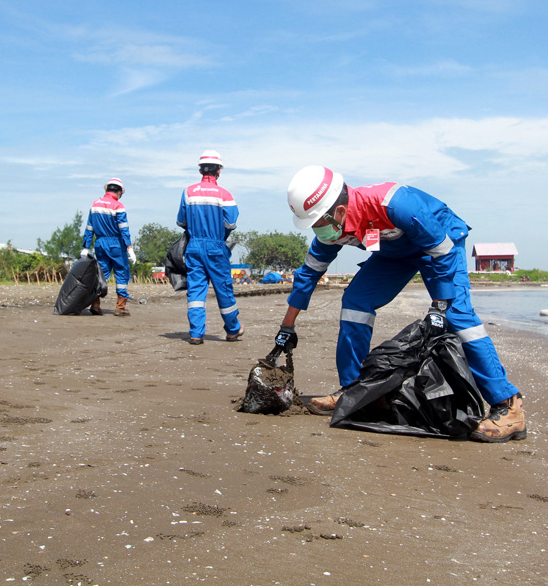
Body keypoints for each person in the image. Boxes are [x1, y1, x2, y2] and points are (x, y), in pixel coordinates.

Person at [274, 165, 526, 443]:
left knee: (456, 315)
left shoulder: (395, 203)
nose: (317, 232)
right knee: (356, 302)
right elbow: (308, 274)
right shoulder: (333, 229)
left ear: (339, 211)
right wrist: (288, 326)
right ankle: (355, 390)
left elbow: (441, 251)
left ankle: (508, 405)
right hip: (395, 254)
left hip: (440, 245)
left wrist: (440, 306)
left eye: (317, 224)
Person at [176, 150, 243, 345]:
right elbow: (231, 223)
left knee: (196, 292)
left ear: (200, 170)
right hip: (215, 247)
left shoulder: (188, 192)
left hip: (194, 247)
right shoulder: (225, 194)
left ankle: (196, 334)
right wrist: (217, 235)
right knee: (223, 289)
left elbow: (181, 221)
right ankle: (232, 330)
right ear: (219, 170)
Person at [80, 178, 136, 316]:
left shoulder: (95, 204)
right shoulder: (118, 205)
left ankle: (95, 304)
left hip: (100, 243)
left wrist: (86, 246)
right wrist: (129, 248)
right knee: (121, 273)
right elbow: (124, 229)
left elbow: (89, 227)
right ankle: (120, 307)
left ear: (106, 190)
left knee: (101, 274)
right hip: (116, 243)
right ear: (118, 192)